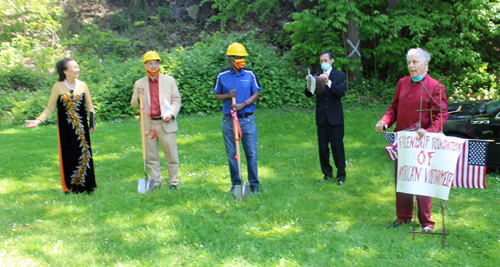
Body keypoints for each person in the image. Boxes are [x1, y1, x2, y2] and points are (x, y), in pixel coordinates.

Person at [375, 48, 449, 233]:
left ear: (425, 64)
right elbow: (394, 107)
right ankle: (403, 217)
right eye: (409, 62)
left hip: (423, 141)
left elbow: (441, 114)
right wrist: (385, 120)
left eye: (415, 62)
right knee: (403, 178)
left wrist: (431, 131)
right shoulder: (402, 83)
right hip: (403, 140)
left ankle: (426, 222)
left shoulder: (435, 86)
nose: (411, 66)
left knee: (422, 180)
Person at [25, 58, 97, 194]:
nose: (77, 69)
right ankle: (71, 187)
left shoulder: (83, 85)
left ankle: (87, 186)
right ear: (65, 71)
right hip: (66, 128)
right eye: (73, 67)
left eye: (77, 66)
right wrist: (38, 120)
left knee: (84, 153)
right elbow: (50, 107)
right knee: (69, 153)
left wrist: (92, 123)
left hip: (81, 128)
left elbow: (90, 106)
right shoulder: (58, 86)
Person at [213, 42, 262, 195]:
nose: (241, 60)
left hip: (247, 120)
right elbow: (216, 96)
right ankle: (236, 185)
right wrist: (228, 96)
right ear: (230, 59)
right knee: (232, 154)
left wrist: (243, 104)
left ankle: (254, 185)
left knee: (251, 153)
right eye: (238, 57)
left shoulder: (249, 74)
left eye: (243, 57)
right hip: (229, 121)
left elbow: (256, 94)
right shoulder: (222, 76)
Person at [130, 51, 182, 190]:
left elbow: (176, 100)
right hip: (148, 124)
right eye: (150, 63)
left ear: (159, 64)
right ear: (145, 65)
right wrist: (138, 96)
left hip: (165, 122)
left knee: (171, 155)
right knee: (151, 155)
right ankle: (155, 182)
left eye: (155, 63)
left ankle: (173, 182)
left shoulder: (169, 80)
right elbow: (134, 105)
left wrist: (171, 113)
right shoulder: (139, 83)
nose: (153, 66)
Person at [305, 51, 347, 185]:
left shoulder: (339, 75)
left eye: (325, 60)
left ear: (332, 60)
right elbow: (308, 94)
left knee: (337, 147)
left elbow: (341, 92)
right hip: (322, 117)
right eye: (321, 61)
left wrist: (328, 82)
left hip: (335, 118)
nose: (323, 63)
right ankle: (326, 173)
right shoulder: (316, 76)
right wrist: (309, 82)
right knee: (323, 148)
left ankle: (341, 174)